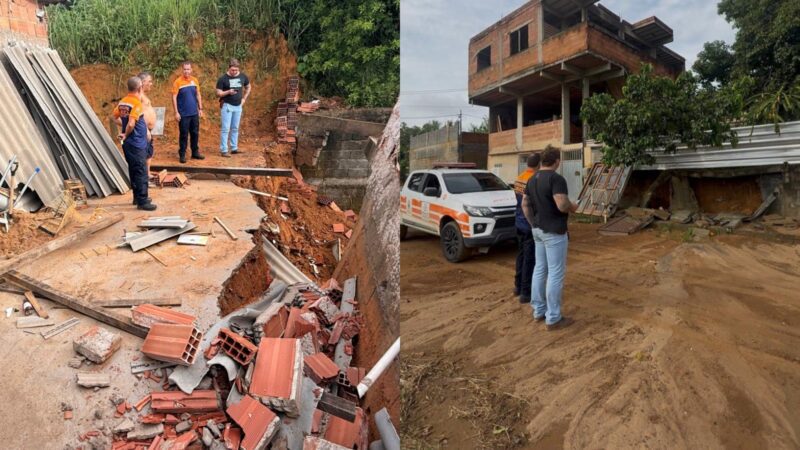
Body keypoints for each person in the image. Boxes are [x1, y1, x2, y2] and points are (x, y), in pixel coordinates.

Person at [522, 146, 577, 330]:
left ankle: (538, 311)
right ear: (556, 161)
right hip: (554, 231)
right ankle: (553, 317)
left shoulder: (531, 179)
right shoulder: (556, 178)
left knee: (540, 269)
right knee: (555, 273)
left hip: (537, 230)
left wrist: (532, 224)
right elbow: (561, 204)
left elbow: (525, 205)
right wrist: (573, 207)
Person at [113, 77, 156, 211]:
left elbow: (114, 117)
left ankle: (137, 197)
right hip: (136, 143)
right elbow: (131, 123)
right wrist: (126, 132)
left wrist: (124, 126)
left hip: (129, 144)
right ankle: (142, 201)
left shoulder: (123, 102)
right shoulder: (136, 103)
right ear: (139, 88)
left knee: (133, 170)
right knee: (141, 171)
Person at [513, 153, 540, 304]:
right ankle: (525, 292)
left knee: (521, 256)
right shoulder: (533, 180)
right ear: (538, 165)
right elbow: (530, 204)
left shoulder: (519, 177)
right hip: (528, 223)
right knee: (530, 259)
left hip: (518, 222)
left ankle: (517, 286)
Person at [216, 58, 251, 157]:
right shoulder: (223, 79)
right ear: (229, 68)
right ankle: (224, 150)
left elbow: (248, 86)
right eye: (232, 70)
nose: (234, 72)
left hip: (238, 106)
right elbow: (218, 93)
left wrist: (244, 98)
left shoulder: (242, 76)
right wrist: (228, 92)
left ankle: (234, 148)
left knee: (235, 128)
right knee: (225, 128)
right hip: (227, 105)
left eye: (236, 70)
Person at [172, 61, 205, 163]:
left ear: (191, 70)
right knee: (184, 135)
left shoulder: (194, 80)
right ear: (182, 70)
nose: (186, 71)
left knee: (195, 133)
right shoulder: (177, 82)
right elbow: (174, 97)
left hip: (194, 113)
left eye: (188, 69)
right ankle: (182, 154)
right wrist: (176, 112)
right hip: (183, 114)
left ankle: (195, 152)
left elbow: (198, 94)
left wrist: (200, 109)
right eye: (185, 69)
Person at [137, 71, 156, 176]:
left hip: (148, 130)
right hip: (144, 130)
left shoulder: (143, 95)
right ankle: (144, 176)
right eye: (149, 81)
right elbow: (137, 114)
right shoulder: (138, 96)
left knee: (149, 153)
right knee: (144, 153)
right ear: (143, 82)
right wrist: (145, 129)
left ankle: (147, 174)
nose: (151, 84)